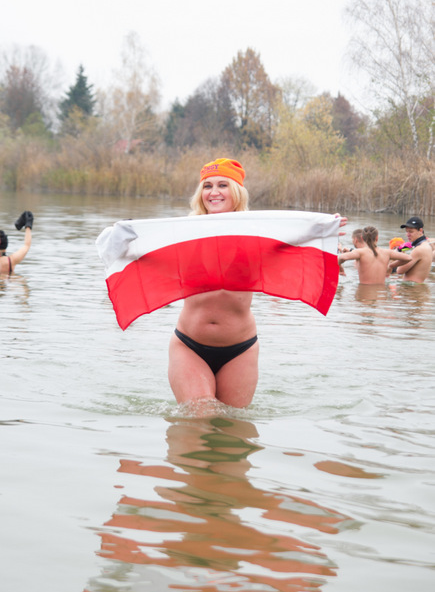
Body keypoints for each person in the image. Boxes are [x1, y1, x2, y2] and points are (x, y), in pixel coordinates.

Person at [168, 157, 346, 409]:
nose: (214, 192)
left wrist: (321, 231)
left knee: (232, 426)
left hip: (240, 349)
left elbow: (292, 245)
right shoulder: (182, 232)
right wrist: (123, 240)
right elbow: (144, 257)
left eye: (222, 185)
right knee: (201, 414)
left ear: (237, 191)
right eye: (207, 186)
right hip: (189, 345)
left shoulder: (256, 233)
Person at [337, 225, 412, 284]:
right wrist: (391, 266)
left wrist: (340, 268)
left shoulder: (360, 252)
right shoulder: (387, 252)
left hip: (364, 294)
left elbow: (342, 257)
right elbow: (409, 258)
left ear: (362, 238)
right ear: (377, 238)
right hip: (381, 295)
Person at [393, 216, 432, 283]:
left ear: (420, 231)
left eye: (411, 232)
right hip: (417, 287)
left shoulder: (419, 250)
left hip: (410, 288)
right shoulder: (426, 245)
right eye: (406, 231)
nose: (407, 234)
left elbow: (399, 271)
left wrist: (400, 254)